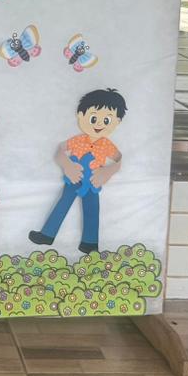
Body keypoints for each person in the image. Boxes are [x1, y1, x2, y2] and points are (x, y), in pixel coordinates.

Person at [28, 88, 126, 253]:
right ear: (81, 115)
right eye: (93, 118)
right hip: (74, 177)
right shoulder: (78, 140)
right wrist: (67, 165)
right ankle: (47, 234)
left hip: (93, 181)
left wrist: (107, 172)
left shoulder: (107, 145)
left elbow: (119, 160)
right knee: (63, 203)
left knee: (92, 209)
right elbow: (59, 151)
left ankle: (90, 243)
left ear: (117, 122)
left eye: (107, 120)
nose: (99, 124)